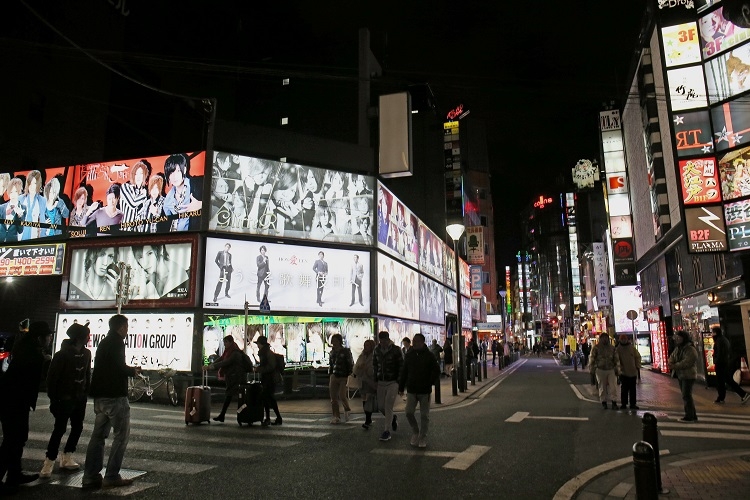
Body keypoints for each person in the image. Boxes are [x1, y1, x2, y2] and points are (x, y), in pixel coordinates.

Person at [82, 314, 141, 489]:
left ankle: (90, 476)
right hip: (115, 397)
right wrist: (133, 371)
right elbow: (118, 366)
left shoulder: (105, 342)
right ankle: (112, 475)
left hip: (100, 397)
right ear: (121, 327)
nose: (127, 330)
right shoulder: (117, 342)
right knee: (121, 437)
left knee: (98, 436)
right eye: (127, 327)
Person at [0, 321, 53, 494]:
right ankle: (10, 475)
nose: (50, 338)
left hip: (12, 400)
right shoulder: (33, 354)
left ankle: (15, 474)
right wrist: (45, 362)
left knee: (16, 438)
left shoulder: (26, 348)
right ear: (39, 338)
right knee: (13, 440)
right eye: (48, 336)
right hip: (15, 401)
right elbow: (31, 380)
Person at [40, 322, 92, 478]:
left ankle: (67, 455)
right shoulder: (62, 355)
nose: (89, 337)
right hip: (64, 399)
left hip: (79, 398)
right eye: (87, 335)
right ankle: (49, 461)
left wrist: (85, 392)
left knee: (77, 427)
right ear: (79, 337)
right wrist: (53, 400)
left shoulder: (87, 353)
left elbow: (87, 374)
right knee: (59, 429)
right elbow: (52, 379)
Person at [399, 333, 440, 448]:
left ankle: (423, 436)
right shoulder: (409, 355)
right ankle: (415, 431)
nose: (415, 343)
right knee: (408, 412)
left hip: (424, 390)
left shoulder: (429, 355)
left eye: (417, 341)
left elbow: (436, 371)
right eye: (414, 341)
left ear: (422, 342)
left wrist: (430, 381)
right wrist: (401, 386)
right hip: (412, 389)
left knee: (424, 415)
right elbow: (404, 371)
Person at [203, 335, 247, 422]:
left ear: (231, 342)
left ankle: (240, 414)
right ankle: (232, 414)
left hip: (236, 377)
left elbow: (225, 362)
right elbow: (222, 358)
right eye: (224, 342)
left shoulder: (235, 353)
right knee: (233, 396)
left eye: (226, 342)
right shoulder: (228, 351)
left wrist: (211, 367)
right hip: (231, 376)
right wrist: (210, 365)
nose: (225, 344)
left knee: (234, 396)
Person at [373, 331, 403, 442]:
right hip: (381, 381)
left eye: (384, 340)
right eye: (381, 340)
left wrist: (400, 382)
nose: (382, 342)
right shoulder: (376, 350)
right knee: (380, 406)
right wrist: (375, 379)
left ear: (388, 339)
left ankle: (387, 431)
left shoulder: (396, 350)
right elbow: (375, 365)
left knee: (388, 405)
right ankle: (393, 418)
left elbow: (401, 365)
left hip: (393, 381)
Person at [163, 153, 202, 232]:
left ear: (184, 170)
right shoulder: (168, 199)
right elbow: (165, 223)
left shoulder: (198, 183)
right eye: (171, 173)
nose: (174, 176)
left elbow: (218, 202)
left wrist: (201, 204)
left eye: (178, 171)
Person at [711, 326, 750, 404]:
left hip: (721, 364)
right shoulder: (723, 339)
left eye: (713, 332)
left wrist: (716, 360)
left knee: (724, 381)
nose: (712, 334)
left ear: (715, 333)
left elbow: (720, 354)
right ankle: (722, 397)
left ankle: (743, 394)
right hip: (724, 363)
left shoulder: (719, 341)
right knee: (725, 381)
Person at [668, 330, 700, 423]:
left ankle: (689, 416)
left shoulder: (690, 348)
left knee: (686, 395)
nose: (677, 339)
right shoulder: (678, 348)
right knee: (686, 395)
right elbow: (672, 357)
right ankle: (692, 415)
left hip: (688, 375)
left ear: (684, 338)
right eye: (676, 337)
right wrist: (671, 363)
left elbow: (687, 362)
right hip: (681, 375)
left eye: (679, 337)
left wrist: (674, 365)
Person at [254, 336, 282, 426]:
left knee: (267, 398)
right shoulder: (265, 352)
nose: (257, 345)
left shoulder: (266, 353)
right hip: (267, 379)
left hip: (269, 379)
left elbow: (271, 366)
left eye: (258, 343)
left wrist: (260, 369)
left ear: (261, 344)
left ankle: (270, 418)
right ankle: (274, 418)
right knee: (269, 399)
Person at [589, 333, 620, 410]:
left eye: (606, 338)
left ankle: (614, 402)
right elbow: (592, 358)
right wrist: (592, 368)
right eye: (603, 338)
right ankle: (604, 402)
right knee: (602, 387)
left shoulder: (612, 348)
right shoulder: (596, 348)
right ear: (600, 339)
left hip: (611, 368)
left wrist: (617, 369)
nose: (605, 339)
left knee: (613, 387)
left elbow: (616, 359)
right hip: (600, 369)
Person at [328, 333, 354, 424]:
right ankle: (336, 416)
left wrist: (350, 374)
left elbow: (350, 363)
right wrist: (331, 373)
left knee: (342, 395)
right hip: (334, 376)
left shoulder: (345, 351)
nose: (334, 343)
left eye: (336, 341)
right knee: (333, 398)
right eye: (333, 341)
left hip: (343, 376)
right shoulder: (332, 352)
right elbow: (331, 364)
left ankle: (347, 409)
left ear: (340, 341)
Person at [117, 160, 150, 231]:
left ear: (145, 176)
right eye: (136, 174)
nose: (138, 177)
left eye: (141, 174)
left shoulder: (143, 192)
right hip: (125, 231)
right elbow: (132, 203)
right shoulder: (125, 187)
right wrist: (143, 195)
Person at [353, 339, 376, 429]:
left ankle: (368, 419)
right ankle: (368, 419)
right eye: (365, 345)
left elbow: (374, 369)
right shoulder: (361, 356)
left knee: (371, 401)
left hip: (371, 381)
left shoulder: (374, 356)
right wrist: (359, 368)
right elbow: (356, 368)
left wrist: (368, 369)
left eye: (368, 345)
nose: (366, 347)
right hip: (362, 380)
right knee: (365, 400)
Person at [615, 334, 641, 410]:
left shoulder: (631, 348)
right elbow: (616, 360)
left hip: (632, 371)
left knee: (632, 389)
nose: (623, 340)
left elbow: (637, 357)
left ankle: (632, 404)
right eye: (622, 339)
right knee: (624, 389)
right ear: (620, 340)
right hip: (623, 372)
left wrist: (637, 366)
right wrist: (619, 369)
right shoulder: (618, 349)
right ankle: (624, 403)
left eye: (624, 339)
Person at [20, 170, 46, 240]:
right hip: (19, 236)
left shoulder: (42, 201)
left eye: (34, 183)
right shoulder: (20, 199)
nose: (31, 186)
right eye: (30, 183)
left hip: (34, 237)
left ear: (38, 184)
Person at [0, 177, 25, 242]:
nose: (13, 195)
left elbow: (20, 230)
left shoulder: (23, 208)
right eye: (11, 192)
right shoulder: (2, 207)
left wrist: (20, 216)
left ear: (19, 192)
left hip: (12, 242)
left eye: (16, 191)